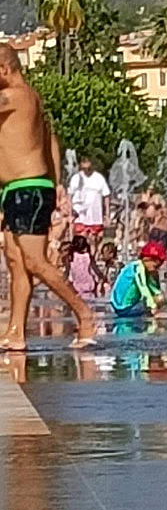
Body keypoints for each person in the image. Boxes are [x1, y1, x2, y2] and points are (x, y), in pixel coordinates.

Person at [0, 45, 98, 350]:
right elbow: (51, 140)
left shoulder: (17, 96)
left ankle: (85, 315)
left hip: (28, 188)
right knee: (17, 263)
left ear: (4, 69)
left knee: (36, 262)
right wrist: (56, 185)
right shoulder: (31, 101)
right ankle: (16, 332)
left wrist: (50, 186)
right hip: (17, 190)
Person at [108, 242, 166, 321]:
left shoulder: (143, 269)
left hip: (126, 306)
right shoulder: (137, 268)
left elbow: (152, 287)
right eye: (155, 266)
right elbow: (143, 287)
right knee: (156, 301)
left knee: (159, 298)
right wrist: (153, 306)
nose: (156, 270)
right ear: (147, 259)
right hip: (123, 308)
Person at [67, 153, 110, 243]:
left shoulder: (99, 178)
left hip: (96, 217)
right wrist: (70, 214)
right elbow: (70, 196)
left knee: (95, 241)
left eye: (88, 168)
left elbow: (106, 196)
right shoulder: (76, 178)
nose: (86, 171)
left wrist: (107, 215)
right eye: (84, 168)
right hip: (80, 216)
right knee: (81, 241)